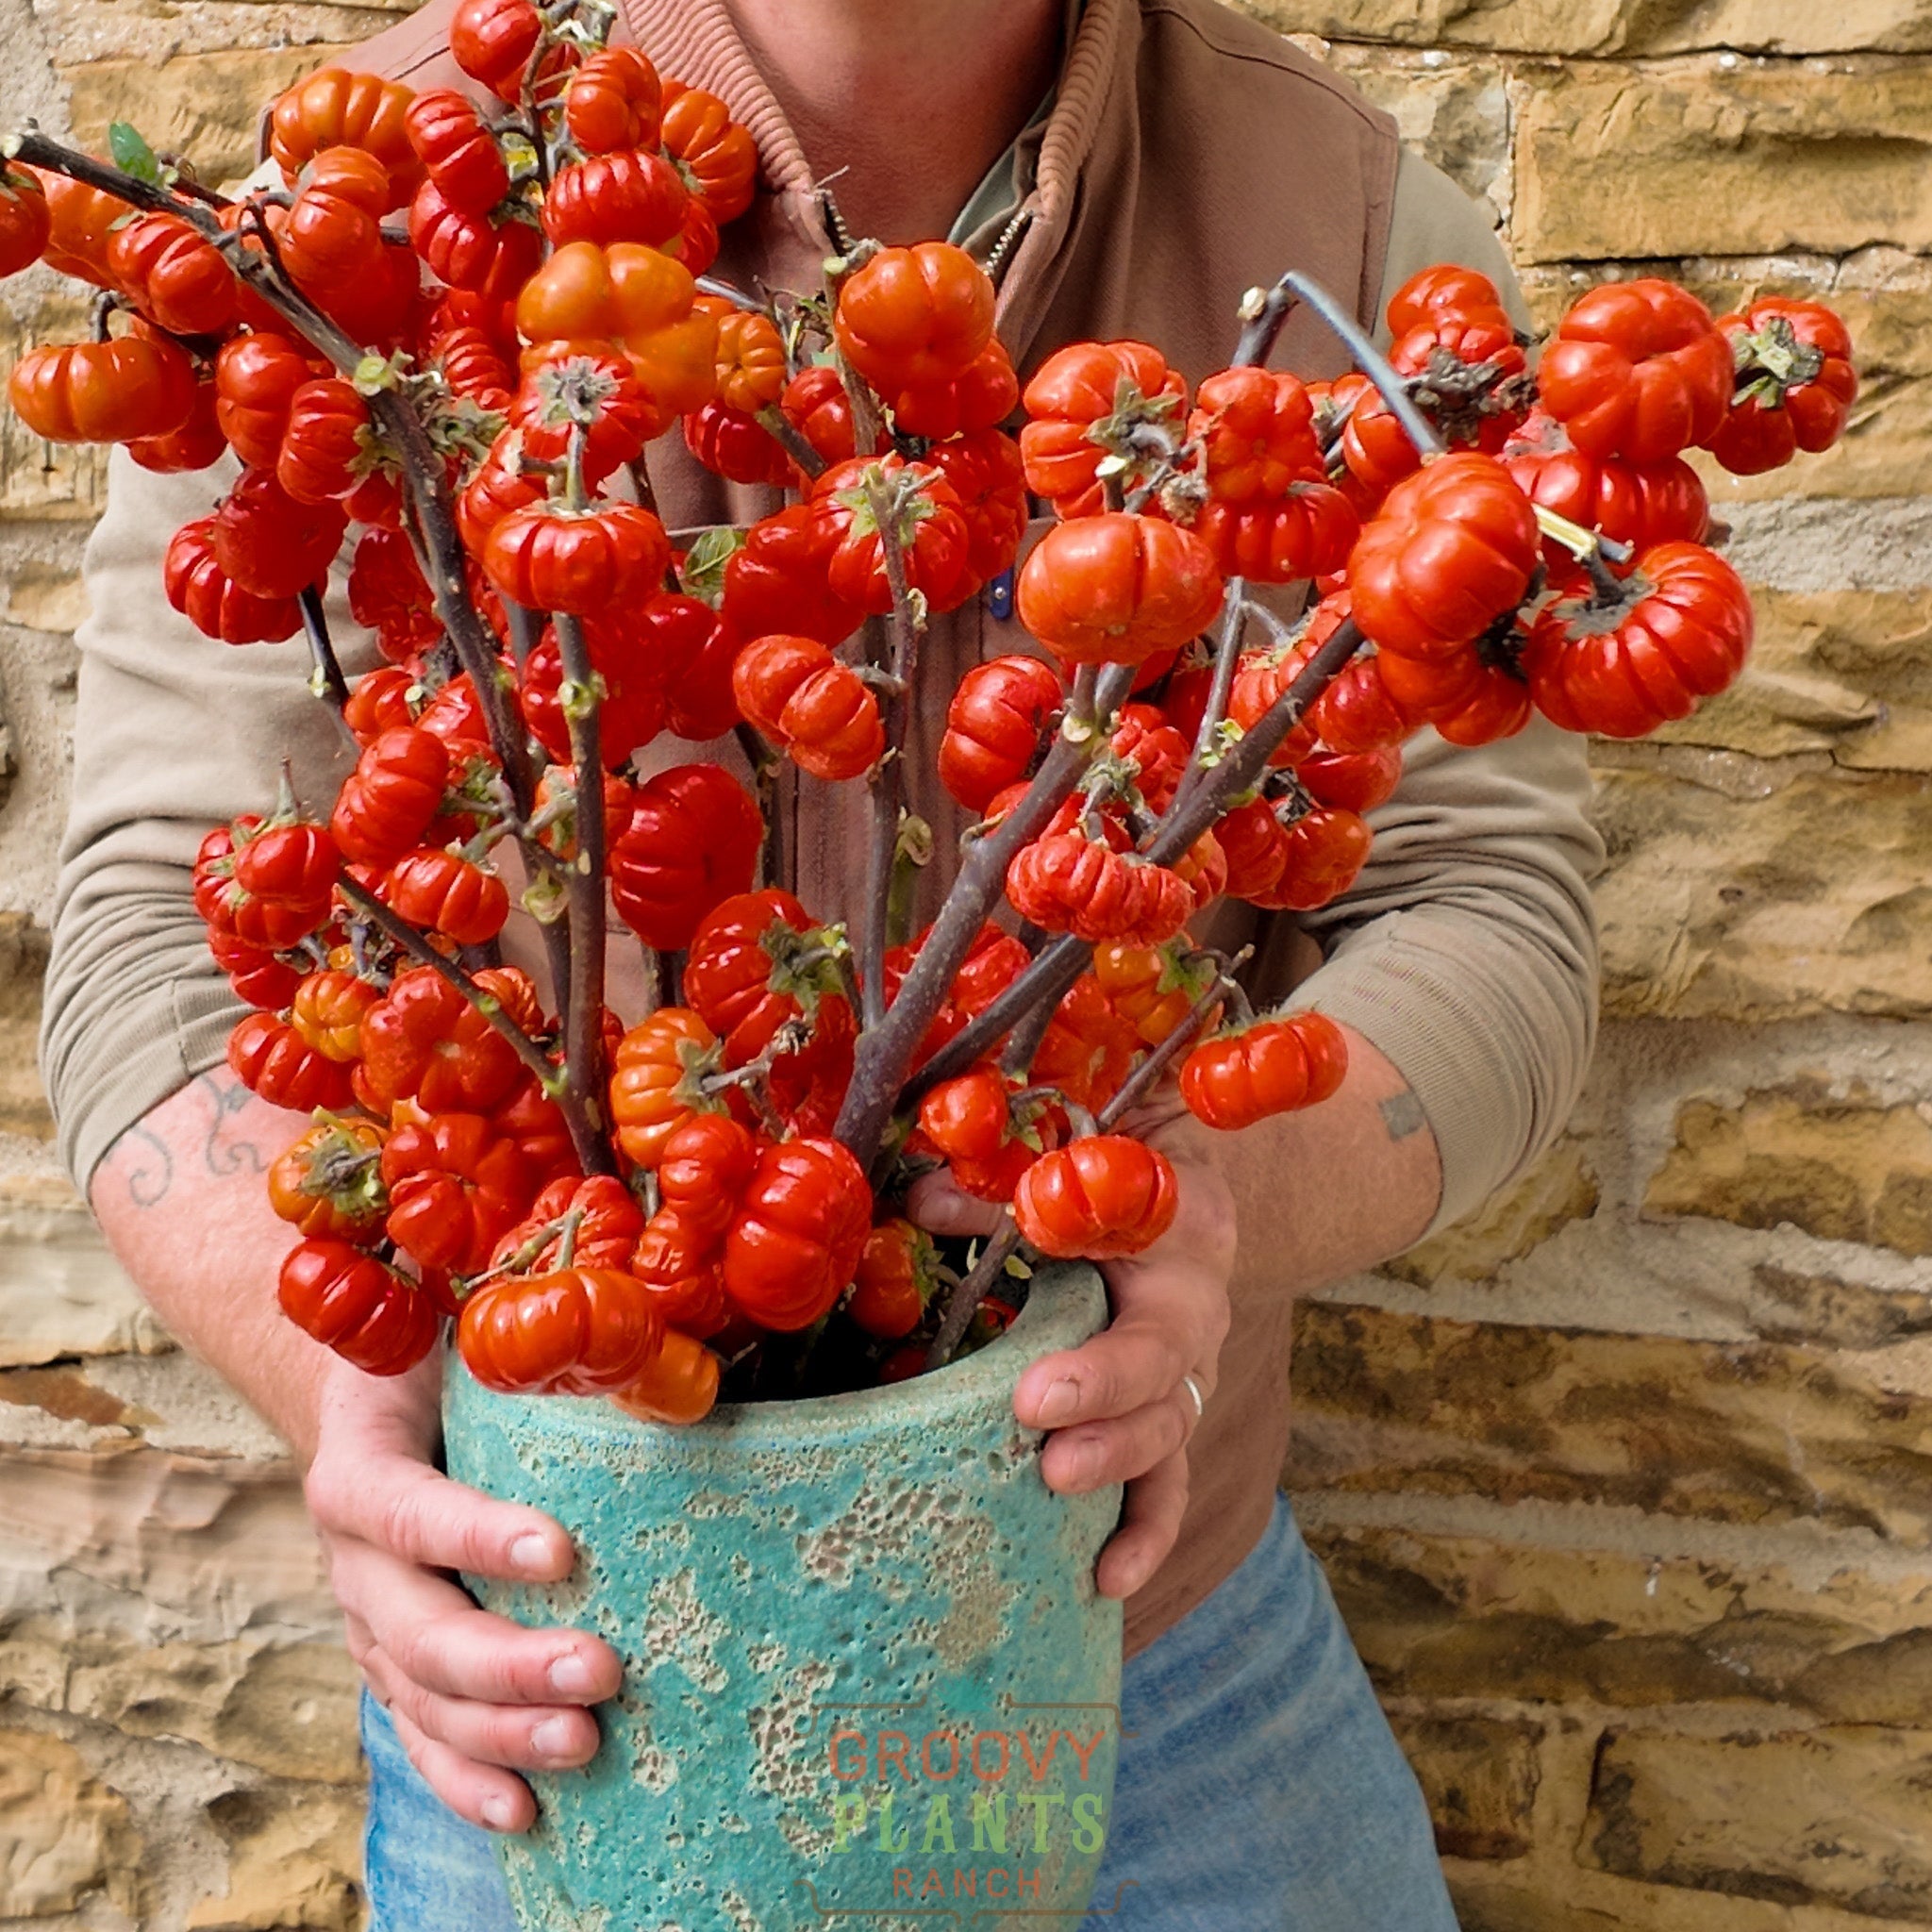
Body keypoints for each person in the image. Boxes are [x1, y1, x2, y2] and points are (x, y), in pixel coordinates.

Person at [41, 0, 1601, 1924]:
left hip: (1143, 1649)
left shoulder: (1346, 229)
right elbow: (151, 937)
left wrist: (1207, 1207)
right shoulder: (333, 238)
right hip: (569, 1669)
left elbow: (1486, 911)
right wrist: (344, 1383)